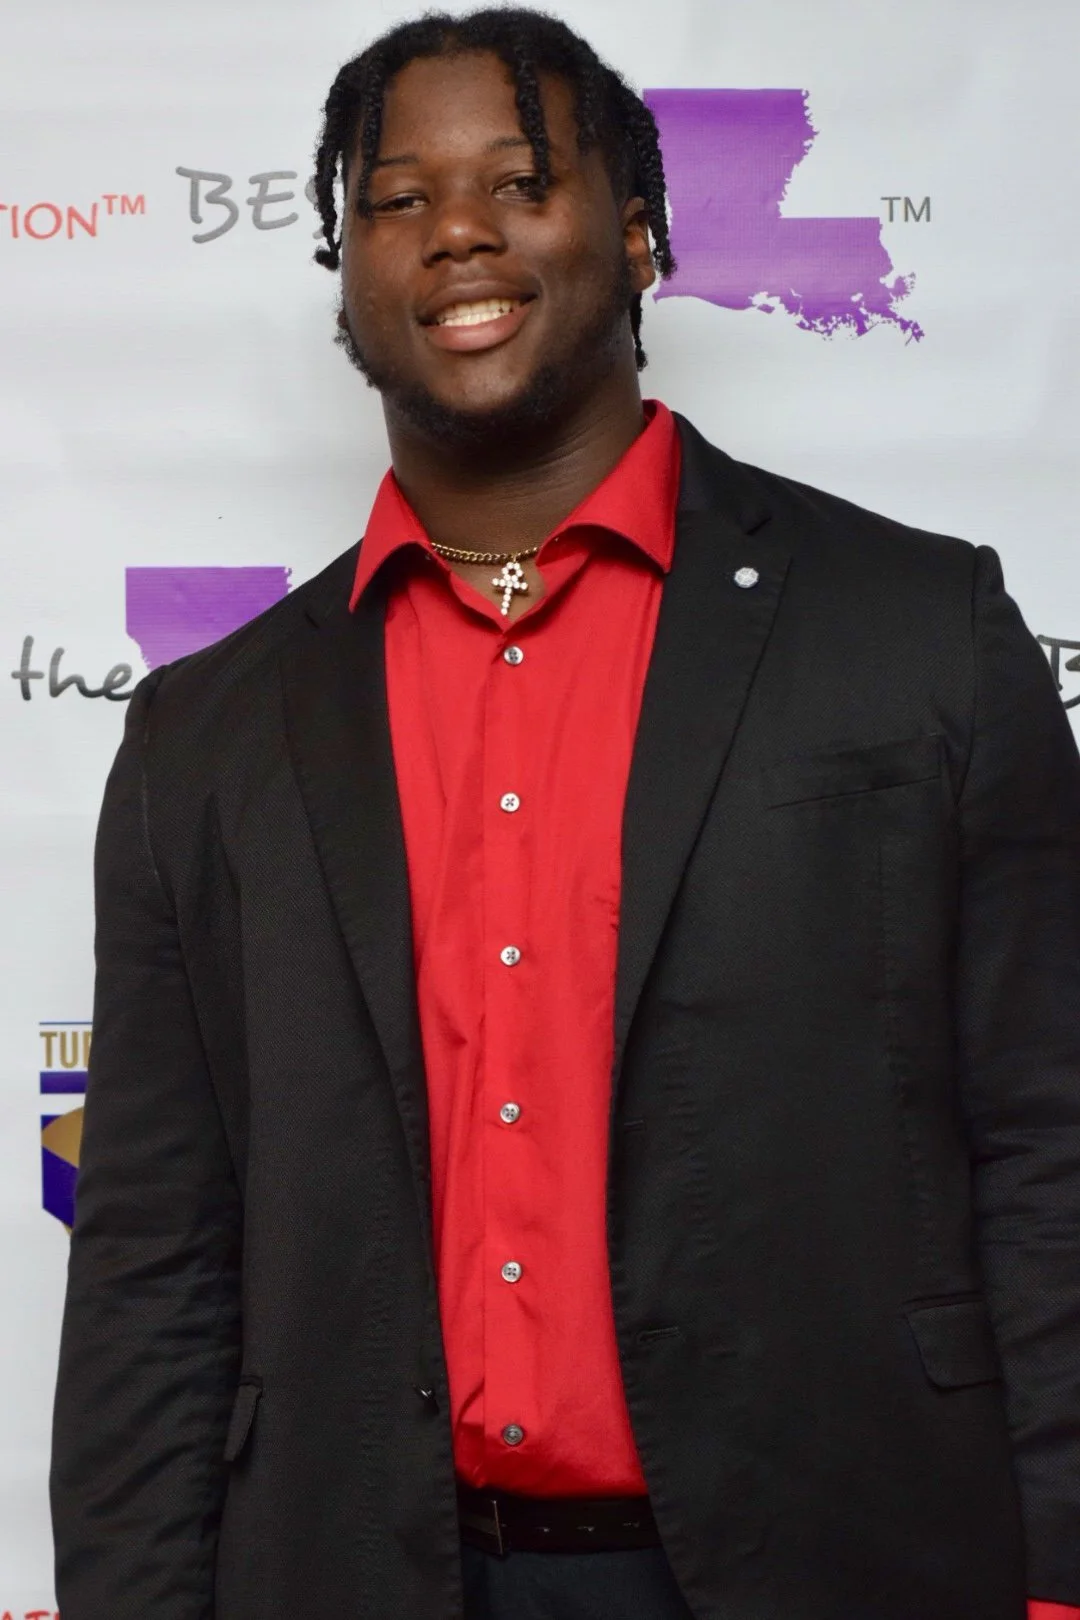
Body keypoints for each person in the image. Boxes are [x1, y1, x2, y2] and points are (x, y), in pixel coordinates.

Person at [49, 9, 1080, 1619]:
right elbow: (152, 1255)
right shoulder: (207, 733)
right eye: (399, 197)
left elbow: (1048, 1144)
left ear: (643, 233)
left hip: (840, 1556)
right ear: (345, 269)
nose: (458, 229)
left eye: (521, 181)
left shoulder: (918, 633)